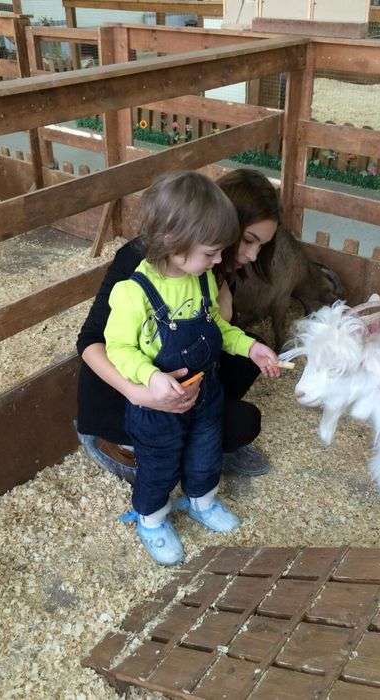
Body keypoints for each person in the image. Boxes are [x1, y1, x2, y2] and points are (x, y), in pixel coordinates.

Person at [104, 171, 279, 565]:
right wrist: (150, 377)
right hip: (156, 407)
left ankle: (202, 502)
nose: (220, 260)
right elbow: (117, 349)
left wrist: (250, 347)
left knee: (205, 454)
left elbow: (216, 326)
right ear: (174, 242)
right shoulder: (134, 292)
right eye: (211, 252)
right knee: (159, 465)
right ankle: (152, 520)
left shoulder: (201, 282)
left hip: (203, 396)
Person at [76, 167, 280, 483]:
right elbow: (89, 342)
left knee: (248, 350)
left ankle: (198, 433)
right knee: (242, 423)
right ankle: (116, 443)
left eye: (262, 247)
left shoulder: (208, 267)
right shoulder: (139, 262)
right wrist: (139, 393)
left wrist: (223, 288)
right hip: (126, 392)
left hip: (175, 378)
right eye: (249, 240)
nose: (253, 256)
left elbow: (217, 326)